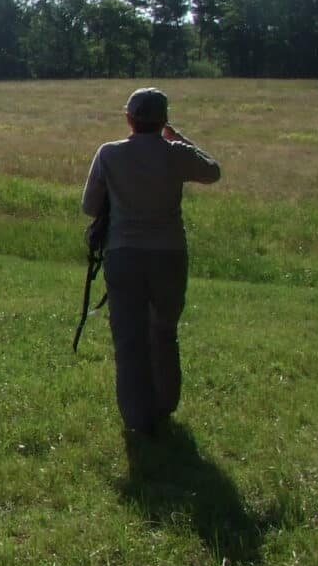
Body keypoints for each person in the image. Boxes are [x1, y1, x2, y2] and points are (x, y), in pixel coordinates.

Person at [80, 87, 222, 439]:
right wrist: (180, 139)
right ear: (164, 121)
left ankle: (136, 418)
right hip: (170, 254)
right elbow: (213, 171)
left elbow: (89, 206)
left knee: (128, 339)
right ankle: (164, 406)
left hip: (123, 255)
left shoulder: (110, 154)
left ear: (129, 118)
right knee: (163, 331)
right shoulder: (175, 154)